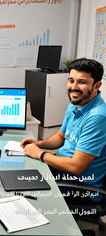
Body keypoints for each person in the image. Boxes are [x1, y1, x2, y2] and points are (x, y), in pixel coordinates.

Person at [21, 58, 106, 203]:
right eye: (71, 80)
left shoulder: (97, 117)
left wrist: (40, 154)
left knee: (26, 197)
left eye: (82, 82)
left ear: (97, 85)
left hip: (81, 186)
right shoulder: (76, 103)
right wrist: (38, 144)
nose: (74, 87)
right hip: (60, 171)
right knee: (17, 178)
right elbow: (61, 136)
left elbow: (76, 166)